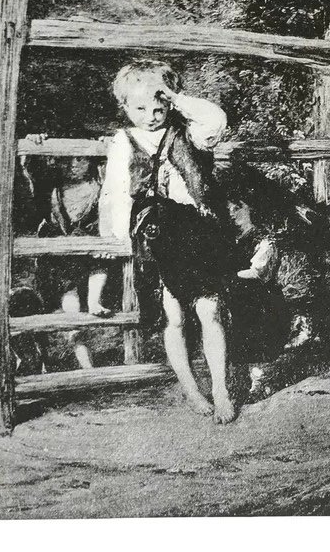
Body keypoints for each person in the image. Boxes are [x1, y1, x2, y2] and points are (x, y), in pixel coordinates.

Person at [96, 59, 239, 422]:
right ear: (125, 107)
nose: (151, 116)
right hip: (156, 237)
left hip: (196, 231)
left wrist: (177, 99)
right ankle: (191, 389)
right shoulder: (124, 140)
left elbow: (216, 122)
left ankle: (221, 389)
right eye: (140, 109)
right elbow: (115, 191)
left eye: (159, 108)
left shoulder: (189, 131)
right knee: (173, 317)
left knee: (210, 310)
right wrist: (115, 235)